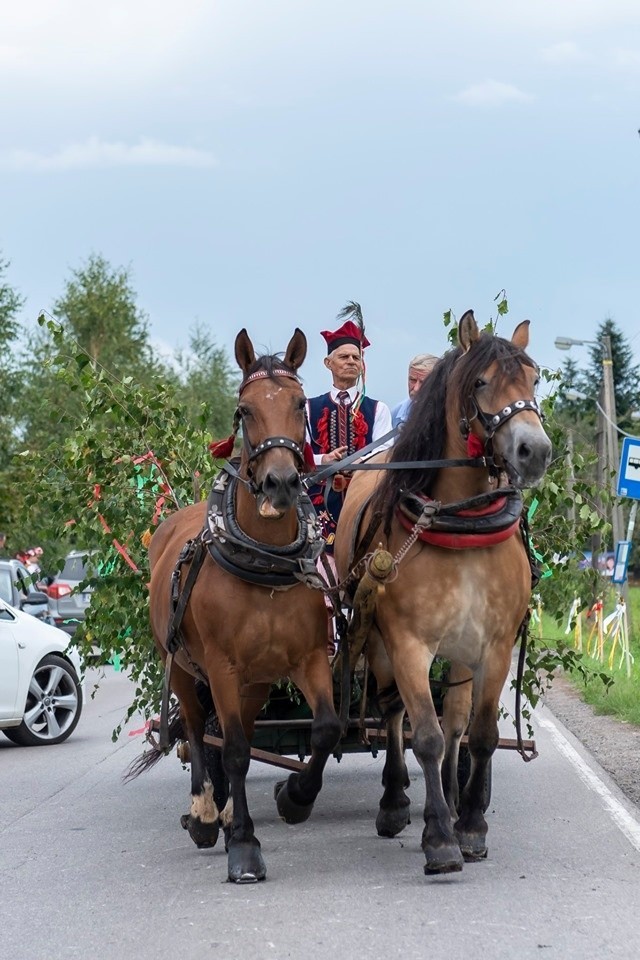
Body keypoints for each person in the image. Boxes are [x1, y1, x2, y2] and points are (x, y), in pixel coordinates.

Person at [306, 305, 393, 551]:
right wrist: (325, 459)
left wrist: (354, 466)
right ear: (328, 363)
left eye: (356, 358)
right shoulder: (308, 408)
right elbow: (297, 456)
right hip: (317, 502)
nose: (351, 362)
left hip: (366, 498)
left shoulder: (378, 409)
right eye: (344, 357)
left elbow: (385, 456)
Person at [391, 353, 440, 428]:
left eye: (423, 382)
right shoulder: (397, 414)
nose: (416, 388)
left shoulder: (449, 415)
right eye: (412, 380)